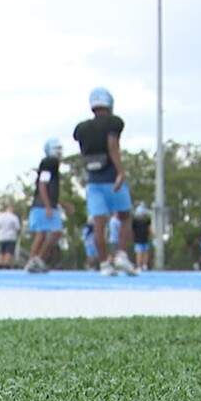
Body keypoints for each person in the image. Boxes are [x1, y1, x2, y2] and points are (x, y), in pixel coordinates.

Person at [74, 87, 136, 276]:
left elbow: (83, 153)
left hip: (94, 180)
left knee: (99, 224)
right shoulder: (113, 123)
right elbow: (112, 146)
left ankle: (103, 264)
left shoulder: (82, 128)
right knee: (124, 217)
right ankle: (121, 256)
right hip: (111, 178)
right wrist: (120, 172)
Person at [25, 139, 65, 273]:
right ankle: (38, 259)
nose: (59, 151)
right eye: (56, 148)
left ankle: (33, 260)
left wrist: (60, 203)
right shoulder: (49, 163)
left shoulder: (52, 164)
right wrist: (48, 205)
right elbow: (43, 183)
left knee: (41, 234)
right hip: (43, 205)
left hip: (44, 203)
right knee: (55, 232)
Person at [131, 203, 152, 271]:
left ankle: (143, 265)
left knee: (144, 252)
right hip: (139, 239)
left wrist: (151, 234)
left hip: (142, 238)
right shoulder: (135, 221)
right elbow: (132, 230)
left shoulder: (146, 221)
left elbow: (149, 229)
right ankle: (140, 265)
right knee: (141, 252)